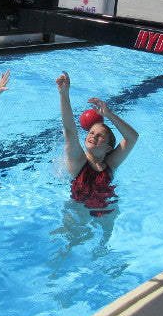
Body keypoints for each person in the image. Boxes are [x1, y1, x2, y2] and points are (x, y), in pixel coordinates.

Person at [55, 71, 139, 216]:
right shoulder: (78, 160)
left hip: (107, 210)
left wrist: (109, 114)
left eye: (100, 136)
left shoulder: (110, 164)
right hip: (78, 212)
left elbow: (132, 138)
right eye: (91, 133)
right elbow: (70, 130)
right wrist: (64, 95)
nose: (93, 136)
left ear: (108, 148)